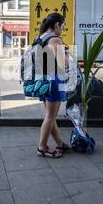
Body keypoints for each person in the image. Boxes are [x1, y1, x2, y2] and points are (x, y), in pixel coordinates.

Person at [36, 13, 69, 158]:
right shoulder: (55, 39)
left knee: (50, 116)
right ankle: (42, 148)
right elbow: (63, 64)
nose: (62, 29)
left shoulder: (40, 37)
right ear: (57, 25)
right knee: (50, 116)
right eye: (62, 26)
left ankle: (60, 143)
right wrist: (67, 54)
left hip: (42, 80)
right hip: (54, 80)